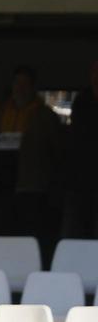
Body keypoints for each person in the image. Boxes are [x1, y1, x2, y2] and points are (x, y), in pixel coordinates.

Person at [0, 65, 63, 261]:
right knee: (2, 232)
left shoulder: (44, 115)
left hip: (31, 186)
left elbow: (57, 150)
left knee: (30, 235)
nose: (20, 88)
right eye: (17, 83)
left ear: (32, 87)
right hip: (1, 184)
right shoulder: (0, 112)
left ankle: (30, 277)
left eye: (25, 84)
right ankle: (2, 276)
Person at [62, 60, 98, 238]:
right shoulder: (83, 101)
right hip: (82, 177)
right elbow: (77, 136)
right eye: (95, 72)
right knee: (82, 225)